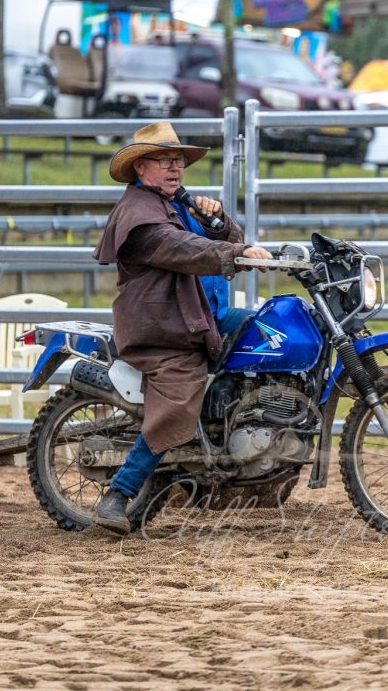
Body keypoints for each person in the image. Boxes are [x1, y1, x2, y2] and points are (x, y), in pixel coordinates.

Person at [90, 121, 272, 535]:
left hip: (197, 318)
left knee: (268, 331)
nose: (175, 168)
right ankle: (118, 495)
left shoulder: (174, 204)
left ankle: (240, 422)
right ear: (141, 168)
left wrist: (219, 220)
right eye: (164, 161)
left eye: (178, 161)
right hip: (161, 327)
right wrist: (237, 250)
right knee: (179, 391)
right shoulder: (138, 216)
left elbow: (214, 240)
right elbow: (184, 250)